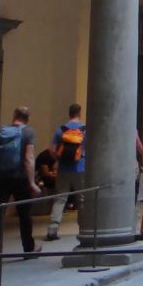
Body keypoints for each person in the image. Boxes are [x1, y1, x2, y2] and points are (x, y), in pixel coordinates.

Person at [0, 105, 39, 262]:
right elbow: (29, 158)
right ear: (27, 119)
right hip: (20, 178)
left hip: (1, 177)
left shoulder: (0, 131)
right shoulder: (29, 132)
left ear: (14, 116)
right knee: (24, 214)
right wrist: (32, 182)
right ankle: (28, 249)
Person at [46, 103, 86, 241]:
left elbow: (52, 150)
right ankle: (83, 228)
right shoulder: (84, 129)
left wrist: (59, 160)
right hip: (80, 168)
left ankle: (52, 229)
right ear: (79, 113)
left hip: (63, 169)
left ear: (69, 113)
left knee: (60, 198)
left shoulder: (61, 129)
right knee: (82, 199)